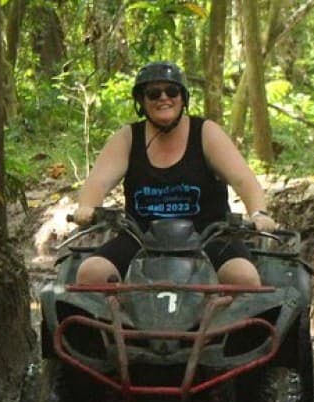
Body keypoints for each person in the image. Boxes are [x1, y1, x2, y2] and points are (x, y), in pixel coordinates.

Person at [73, 61, 278, 287]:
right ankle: (114, 321)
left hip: (208, 236)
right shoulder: (128, 137)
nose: (164, 98)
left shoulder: (206, 132)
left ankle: (227, 321)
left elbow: (243, 179)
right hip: (142, 238)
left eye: (172, 91)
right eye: (153, 93)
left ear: (183, 98)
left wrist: (258, 213)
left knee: (243, 277)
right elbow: (97, 182)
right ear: (142, 101)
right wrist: (87, 208)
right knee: (91, 272)